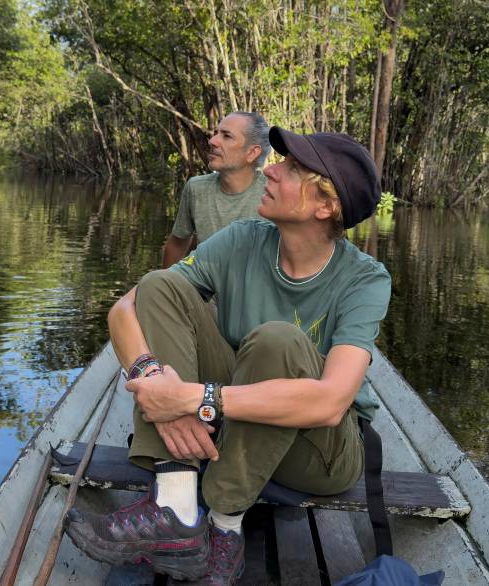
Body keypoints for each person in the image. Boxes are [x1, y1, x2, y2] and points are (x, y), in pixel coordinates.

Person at [65, 127, 390, 585]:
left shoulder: (364, 279)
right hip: (234, 417)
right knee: (161, 285)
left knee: (278, 341)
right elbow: (125, 309)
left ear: (326, 206)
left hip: (319, 452)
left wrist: (191, 399)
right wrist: (153, 378)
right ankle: (176, 504)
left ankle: (226, 524)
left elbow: (330, 402)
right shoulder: (243, 240)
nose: (270, 172)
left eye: (292, 169)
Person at [161, 112, 270, 268]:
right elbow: (177, 244)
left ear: (252, 152)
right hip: (206, 288)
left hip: (255, 289)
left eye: (227, 136)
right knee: (148, 284)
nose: (212, 141)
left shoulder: (273, 193)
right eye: (216, 133)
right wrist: (167, 286)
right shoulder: (196, 188)